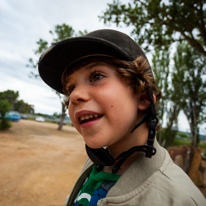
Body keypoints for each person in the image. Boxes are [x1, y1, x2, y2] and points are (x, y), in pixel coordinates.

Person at [38, 29, 206, 206]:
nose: (74, 96)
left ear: (142, 96)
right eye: (71, 88)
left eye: (96, 76)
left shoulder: (179, 199)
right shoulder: (96, 163)